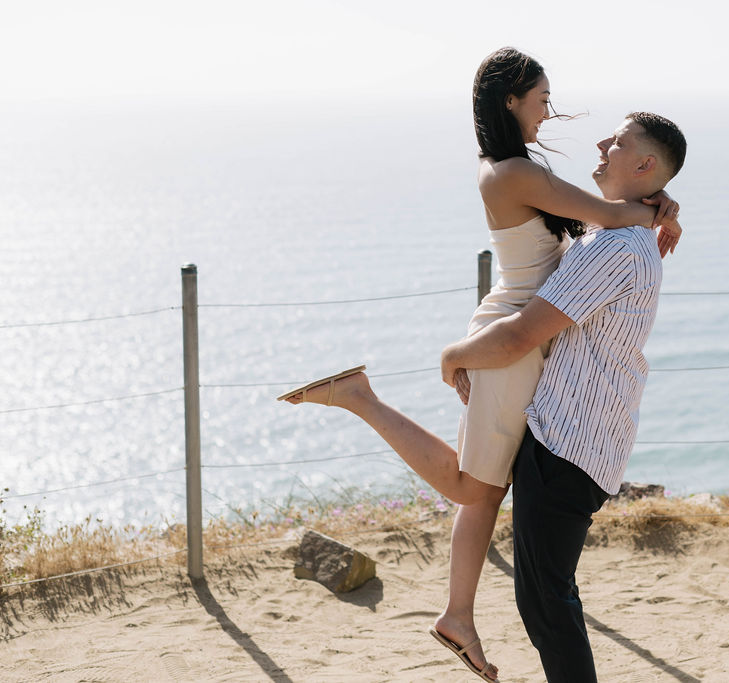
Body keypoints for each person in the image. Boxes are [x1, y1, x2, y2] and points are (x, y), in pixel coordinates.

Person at [278, 47, 682, 682]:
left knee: (488, 492)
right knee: (476, 487)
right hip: (513, 333)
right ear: (511, 100)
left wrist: (657, 204)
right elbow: (608, 215)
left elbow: (601, 224)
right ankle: (361, 397)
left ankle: (458, 615)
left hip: (522, 331)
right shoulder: (510, 173)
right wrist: (655, 206)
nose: (552, 114)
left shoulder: (524, 171)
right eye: (543, 100)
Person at [439, 110, 686, 683]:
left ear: (644, 164)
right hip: (577, 438)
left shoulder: (616, 247)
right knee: (548, 596)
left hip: (569, 443)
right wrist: (661, 205)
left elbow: (525, 333)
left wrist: (454, 356)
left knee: (547, 601)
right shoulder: (616, 235)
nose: (602, 143)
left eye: (619, 142)